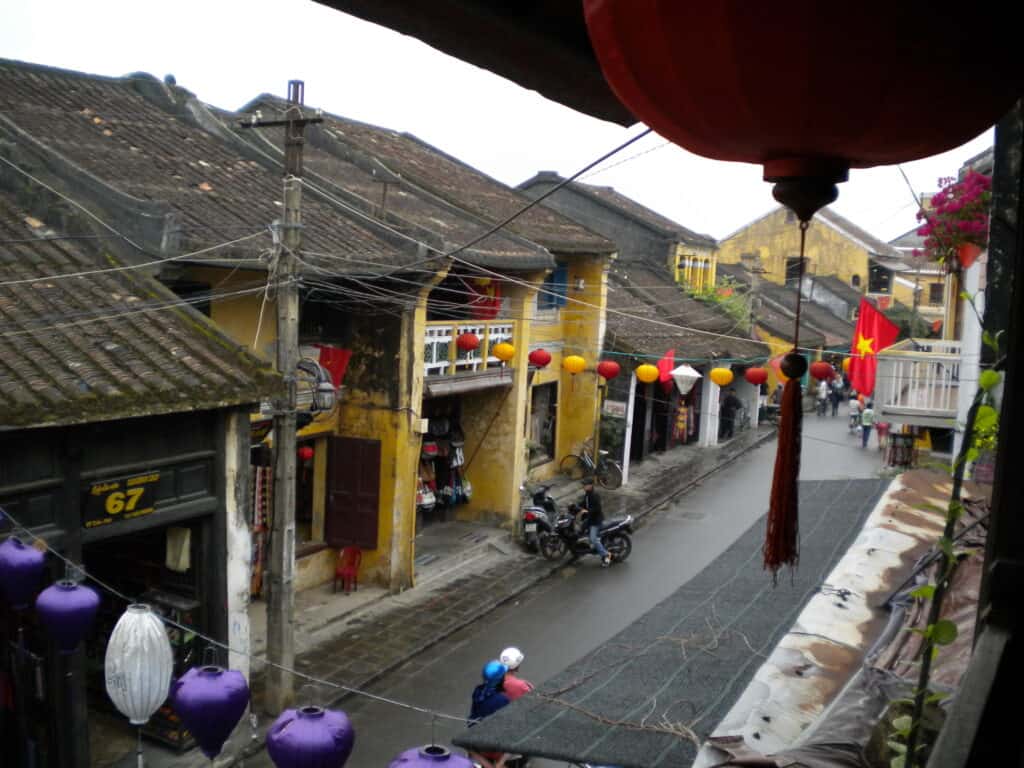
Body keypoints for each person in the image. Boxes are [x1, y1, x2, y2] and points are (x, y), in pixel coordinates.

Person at [468, 661, 511, 768]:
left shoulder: (478, 691)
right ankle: (499, 764)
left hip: (475, 736)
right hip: (493, 743)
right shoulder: (502, 699)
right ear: (500, 680)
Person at [579, 477, 611, 567]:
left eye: (585, 485)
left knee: (593, 539)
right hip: (590, 519)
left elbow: (597, 508)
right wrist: (575, 506)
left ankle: (606, 554)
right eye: (583, 485)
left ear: (590, 485)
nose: (583, 486)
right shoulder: (587, 494)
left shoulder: (594, 495)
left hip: (596, 521)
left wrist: (587, 511)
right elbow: (584, 503)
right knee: (581, 530)